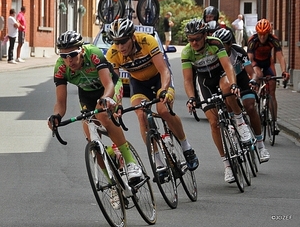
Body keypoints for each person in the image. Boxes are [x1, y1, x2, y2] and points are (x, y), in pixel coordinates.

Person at [47, 30, 142, 183]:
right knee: (91, 138)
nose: (69, 60)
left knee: (102, 114)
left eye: (72, 54)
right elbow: (60, 102)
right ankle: (112, 185)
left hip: (109, 87)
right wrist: (56, 116)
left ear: (81, 50)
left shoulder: (93, 53)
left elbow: (108, 84)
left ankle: (131, 163)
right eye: (64, 56)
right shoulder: (60, 68)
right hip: (87, 94)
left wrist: (105, 98)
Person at [106, 18, 199, 171]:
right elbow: (115, 84)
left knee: (163, 110)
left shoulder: (147, 41)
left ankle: (186, 147)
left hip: (159, 79)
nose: (120, 46)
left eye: (123, 41)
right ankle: (159, 163)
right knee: (141, 115)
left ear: (132, 37)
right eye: (117, 42)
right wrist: (117, 104)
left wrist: (163, 89)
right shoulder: (114, 53)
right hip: (138, 84)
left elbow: (164, 70)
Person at [181, 18, 251, 183]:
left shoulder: (215, 43)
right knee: (214, 123)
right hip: (205, 83)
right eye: (191, 39)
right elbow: (188, 80)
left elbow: (228, 67)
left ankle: (240, 121)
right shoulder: (187, 52)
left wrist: (234, 84)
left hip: (220, 75)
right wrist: (192, 98)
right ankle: (227, 165)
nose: (194, 42)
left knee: (227, 87)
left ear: (205, 35)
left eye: (197, 38)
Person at [212, 28, 270, 162]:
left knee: (249, 107)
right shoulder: (213, 54)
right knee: (226, 105)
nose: (219, 48)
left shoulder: (238, 51)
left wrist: (253, 80)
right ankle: (234, 131)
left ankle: (260, 146)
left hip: (241, 80)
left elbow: (251, 71)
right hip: (224, 83)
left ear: (230, 44)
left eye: (223, 45)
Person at [247, 19, 290, 134]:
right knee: (259, 75)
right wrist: (249, 73)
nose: (262, 37)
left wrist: (284, 71)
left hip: (267, 62)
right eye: (260, 34)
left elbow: (280, 56)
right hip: (255, 62)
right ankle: (257, 97)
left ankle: (274, 122)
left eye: (264, 35)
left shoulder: (273, 39)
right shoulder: (253, 40)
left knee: (272, 89)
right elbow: (249, 58)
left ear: (268, 33)